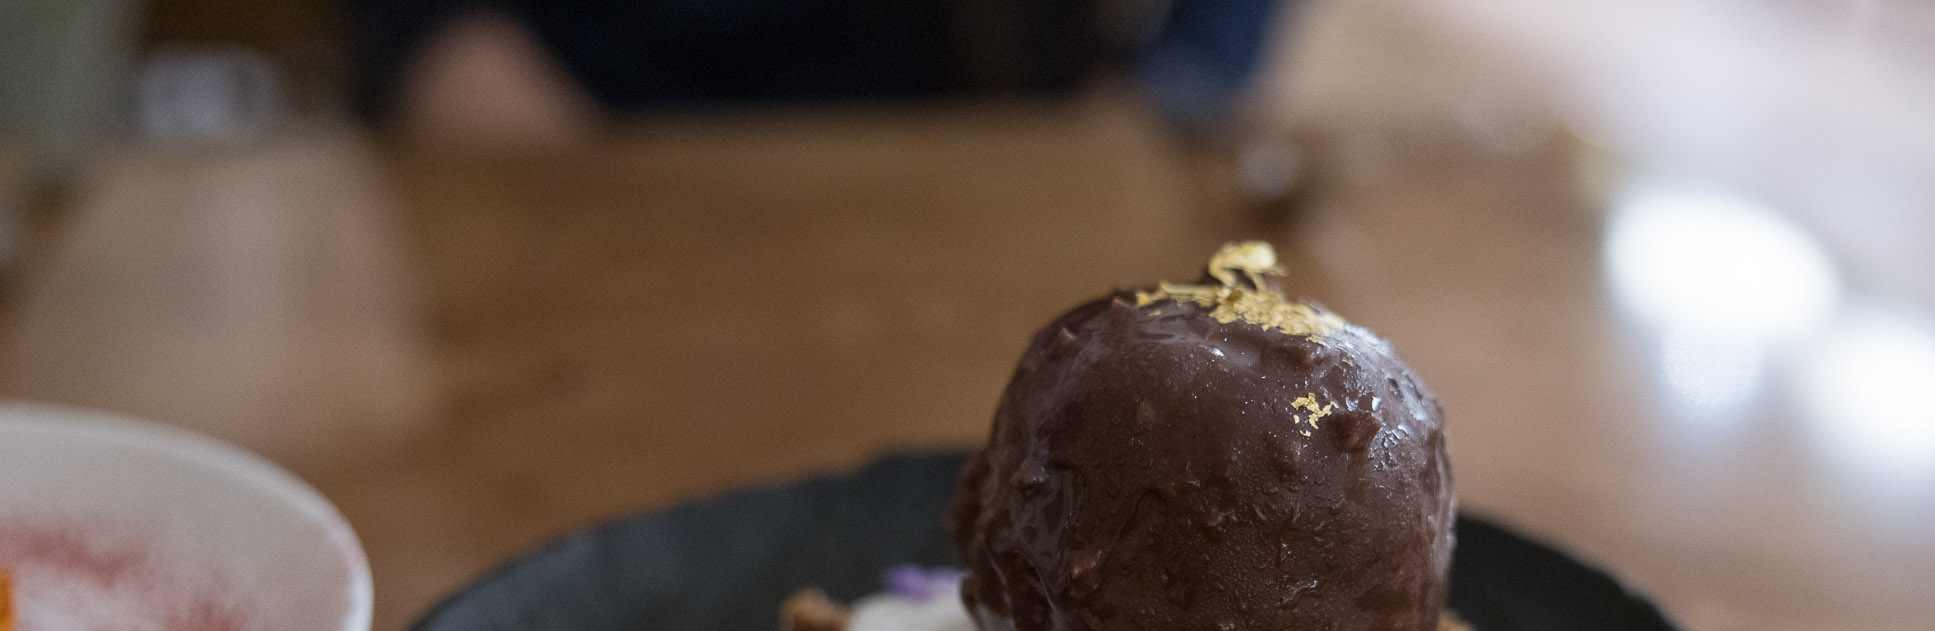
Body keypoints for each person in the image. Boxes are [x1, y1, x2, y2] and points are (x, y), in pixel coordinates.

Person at [351, 0, 1285, 142]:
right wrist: (434, 39)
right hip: (586, 123)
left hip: (975, 125)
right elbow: (445, 61)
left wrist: (1186, 74)